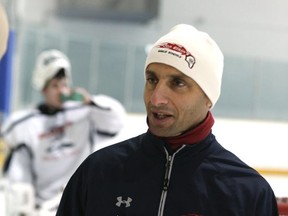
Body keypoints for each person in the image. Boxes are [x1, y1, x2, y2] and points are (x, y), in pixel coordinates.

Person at [56, 24, 279, 215]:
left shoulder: (248, 193)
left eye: (178, 83)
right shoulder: (98, 173)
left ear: (208, 97)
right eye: (152, 80)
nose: (157, 98)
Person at [1, 49, 126, 208]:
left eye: (64, 85)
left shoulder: (85, 113)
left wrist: (90, 101)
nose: (61, 90)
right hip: (44, 206)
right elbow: (14, 160)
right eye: (54, 86)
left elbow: (117, 117)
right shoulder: (25, 124)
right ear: (43, 88)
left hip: (81, 201)